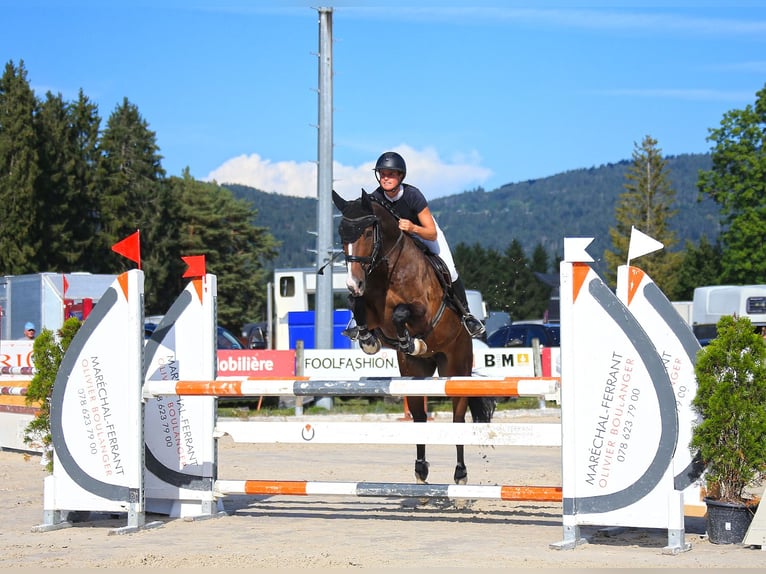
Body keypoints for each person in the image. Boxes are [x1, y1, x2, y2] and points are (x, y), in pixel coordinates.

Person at [343, 151, 485, 349]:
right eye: (382, 174)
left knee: (449, 270)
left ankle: (467, 315)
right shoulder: (374, 199)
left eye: (391, 174)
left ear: (400, 176)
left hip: (422, 233)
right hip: (395, 244)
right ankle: (362, 323)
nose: (386, 178)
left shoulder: (412, 196)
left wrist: (413, 228)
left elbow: (431, 233)